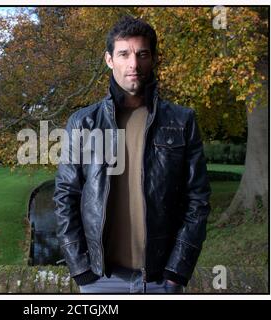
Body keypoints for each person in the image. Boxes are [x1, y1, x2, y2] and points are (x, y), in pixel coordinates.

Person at [53, 15, 211, 293]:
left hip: (162, 279)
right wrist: (80, 269)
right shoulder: (83, 122)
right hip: (100, 278)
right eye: (124, 54)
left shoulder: (182, 120)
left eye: (142, 54)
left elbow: (197, 199)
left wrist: (177, 271)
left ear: (154, 59)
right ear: (109, 60)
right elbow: (66, 195)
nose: (134, 64)